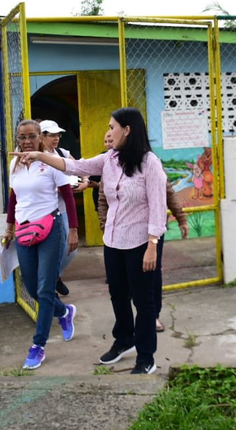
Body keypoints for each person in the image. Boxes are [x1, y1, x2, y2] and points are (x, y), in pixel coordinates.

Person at [12, 107, 166, 375]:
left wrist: (153, 245)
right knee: (118, 294)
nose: (108, 132)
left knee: (143, 301)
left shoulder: (149, 163)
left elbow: (158, 206)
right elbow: (76, 166)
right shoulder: (110, 159)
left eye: (111, 127)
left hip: (142, 242)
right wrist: (39, 155)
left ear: (127, 130)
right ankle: (124, 340)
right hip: (114, 241)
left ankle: (146, 357)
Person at [2, 119, 77, 370]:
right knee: (32, 288)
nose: (27, 141)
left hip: (50, 228)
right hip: (24, 230)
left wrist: (73, 230)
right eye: (22, 137)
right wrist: (9, 228)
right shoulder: (14, 163)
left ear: (40, 138)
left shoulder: (51, 161)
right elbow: (14, 198)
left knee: (45, 289)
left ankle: (38, 346)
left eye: (32, 136)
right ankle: (64, 312)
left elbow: (68, 195)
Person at [97, 152, 189, 333]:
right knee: (121, 283)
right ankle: (126, 329)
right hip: (121, 234)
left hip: (150, 231)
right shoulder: (110, 165)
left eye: (111, 139)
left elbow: (167, 192)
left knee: (151, 274)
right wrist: (106, 227)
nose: (109, 144)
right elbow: (102, 200)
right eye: (106, 141)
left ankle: (152, 316)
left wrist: (181, 218)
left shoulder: (150, 163)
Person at [39, 119, 79, 296]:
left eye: (58, 135)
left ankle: (55, 276)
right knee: (49, 250)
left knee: (71, 250)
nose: (56, 138)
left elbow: (78, 169)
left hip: (62, 208)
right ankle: (49, 283)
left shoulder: (62, 153)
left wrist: (83, 182)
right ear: (41, 136)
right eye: (51, 135)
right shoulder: (36, 156)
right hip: (44, 211)